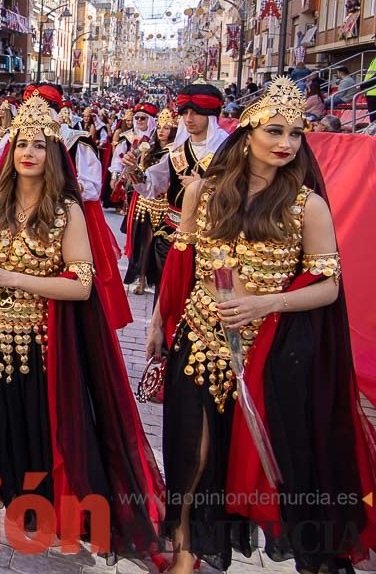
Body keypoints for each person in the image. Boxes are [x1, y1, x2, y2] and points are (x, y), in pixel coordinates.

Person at [0, 96, 163, 567]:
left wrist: (12, 278)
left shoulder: (68, 212)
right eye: (21, 143)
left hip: (39, 347)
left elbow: (82, 286)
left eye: (39, 145)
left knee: (35, 438)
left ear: (52, 154)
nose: (28, 152)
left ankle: (38, 517)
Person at [147, 77, 376, 574]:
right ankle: (186, 551)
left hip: (274, 349)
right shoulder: (202, 193)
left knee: (285, 460)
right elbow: (181, 266)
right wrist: (157, 321)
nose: (286, 144)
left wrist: (266, 303)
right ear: (246, 132)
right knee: (194, 452)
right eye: (274, 130)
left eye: (296, 134)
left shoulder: (306, 205)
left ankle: (311, 554)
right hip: (202, 340)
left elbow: (329, 287)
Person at [0, 83, 133, 332]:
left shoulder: (76, 141)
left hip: (67, 216)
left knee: (77, 276)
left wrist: (59, 185)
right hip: (22, 211)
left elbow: (92, 187)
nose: (35, 113)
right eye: (30, 108)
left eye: (42, 108)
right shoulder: (17, 136)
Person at [126, 82, 230, 289]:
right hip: (173, 234)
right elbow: (153, 185)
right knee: (169, 296)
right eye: (185, 113)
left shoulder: (228, 149)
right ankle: (158, 322)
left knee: (216, 295)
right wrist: (133, 171)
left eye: (196, 113)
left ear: (211, 115)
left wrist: (204, 187)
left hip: (215, 236)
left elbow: (242, 192)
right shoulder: (178, 151)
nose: (189, 119)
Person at [121, 108, 177, 296]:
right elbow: (140, 174)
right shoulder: (148, 147)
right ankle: (141, 278)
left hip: (163, 205)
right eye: (160, 127)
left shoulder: (175, 152)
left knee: (156, 244)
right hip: (144, 202)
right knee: (142, 242)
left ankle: (156, 279)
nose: (162, 131)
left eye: (167, 128)